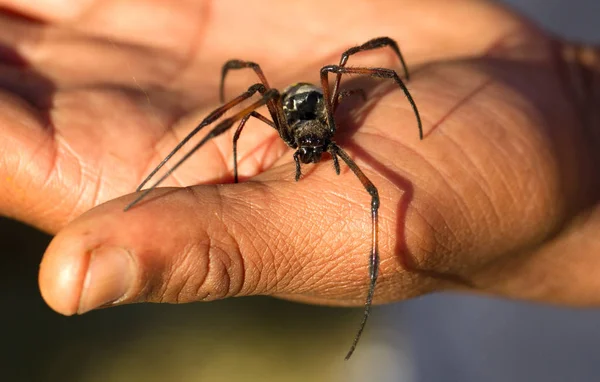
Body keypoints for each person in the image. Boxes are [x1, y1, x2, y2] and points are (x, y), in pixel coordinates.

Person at [0, 0, 598, 320]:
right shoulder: (282, 115)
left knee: (352, 89)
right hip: (448, 351)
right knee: (251, 89)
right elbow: (243, 94)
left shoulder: (330, 126)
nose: (313, 153)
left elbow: (379, 70)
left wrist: (578, 103)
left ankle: (368, 317)